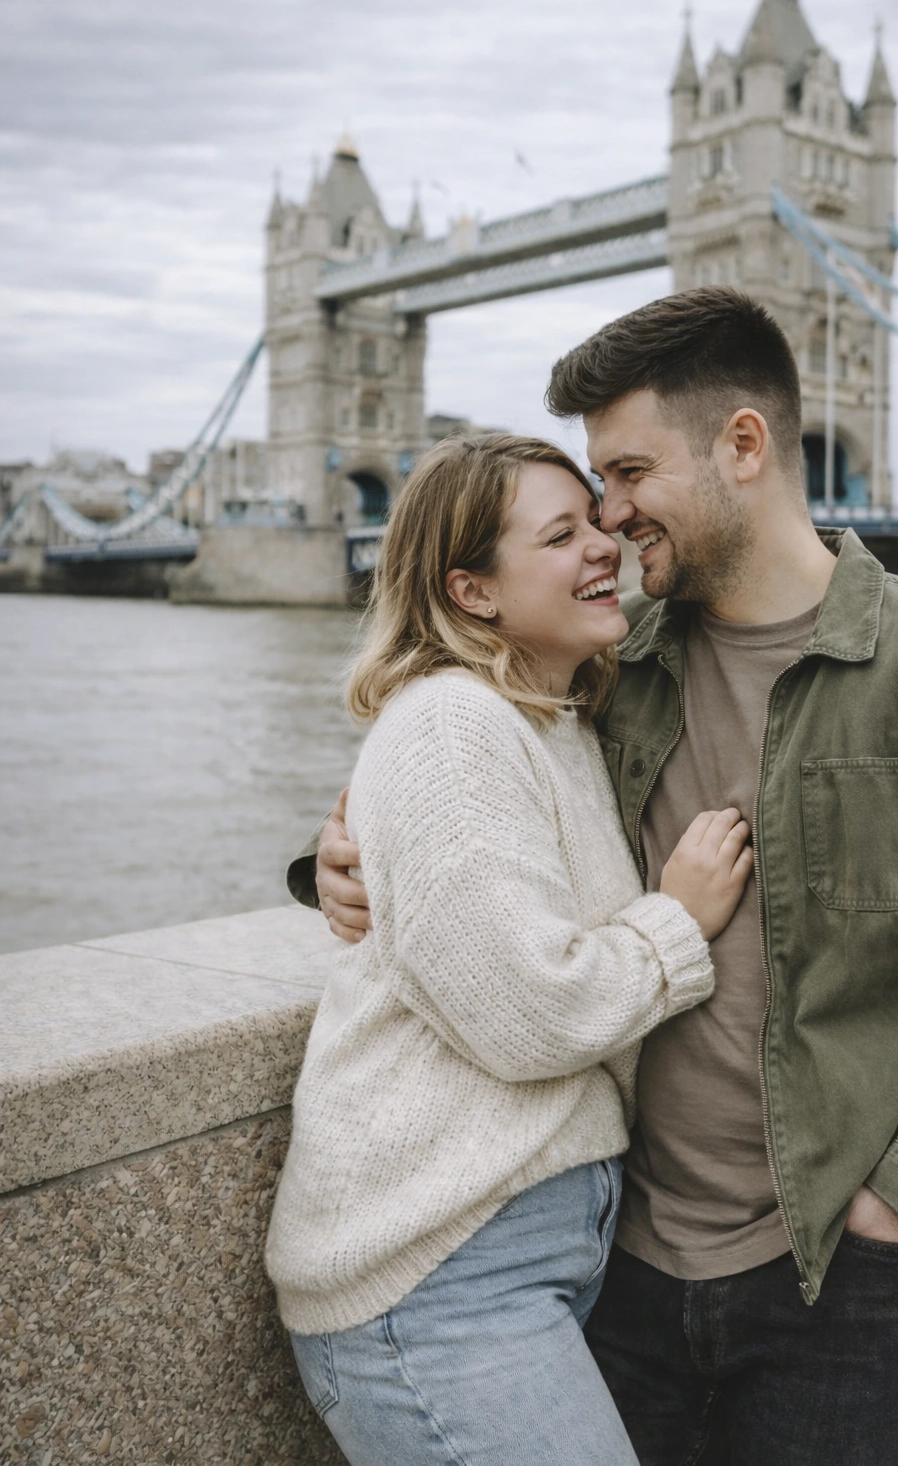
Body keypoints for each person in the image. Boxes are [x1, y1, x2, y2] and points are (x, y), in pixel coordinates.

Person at [300, 288, 898, 1466]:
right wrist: (333, 861)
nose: (611, 519)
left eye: (628, 475)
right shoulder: (609, 664)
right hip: (619, 1265)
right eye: (591, 496)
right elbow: (458, 781)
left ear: (743, 446)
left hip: (840, 1275)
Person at [267, 432, 755, 1465]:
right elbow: (529, 1013)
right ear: (473, 591)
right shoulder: (452, 725)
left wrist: (334, 860)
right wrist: (677, 920)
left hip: (528, 1249)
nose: (606, 544)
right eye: (562, 534)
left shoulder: (555, 716)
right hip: (435, 1272)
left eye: (599, 518)